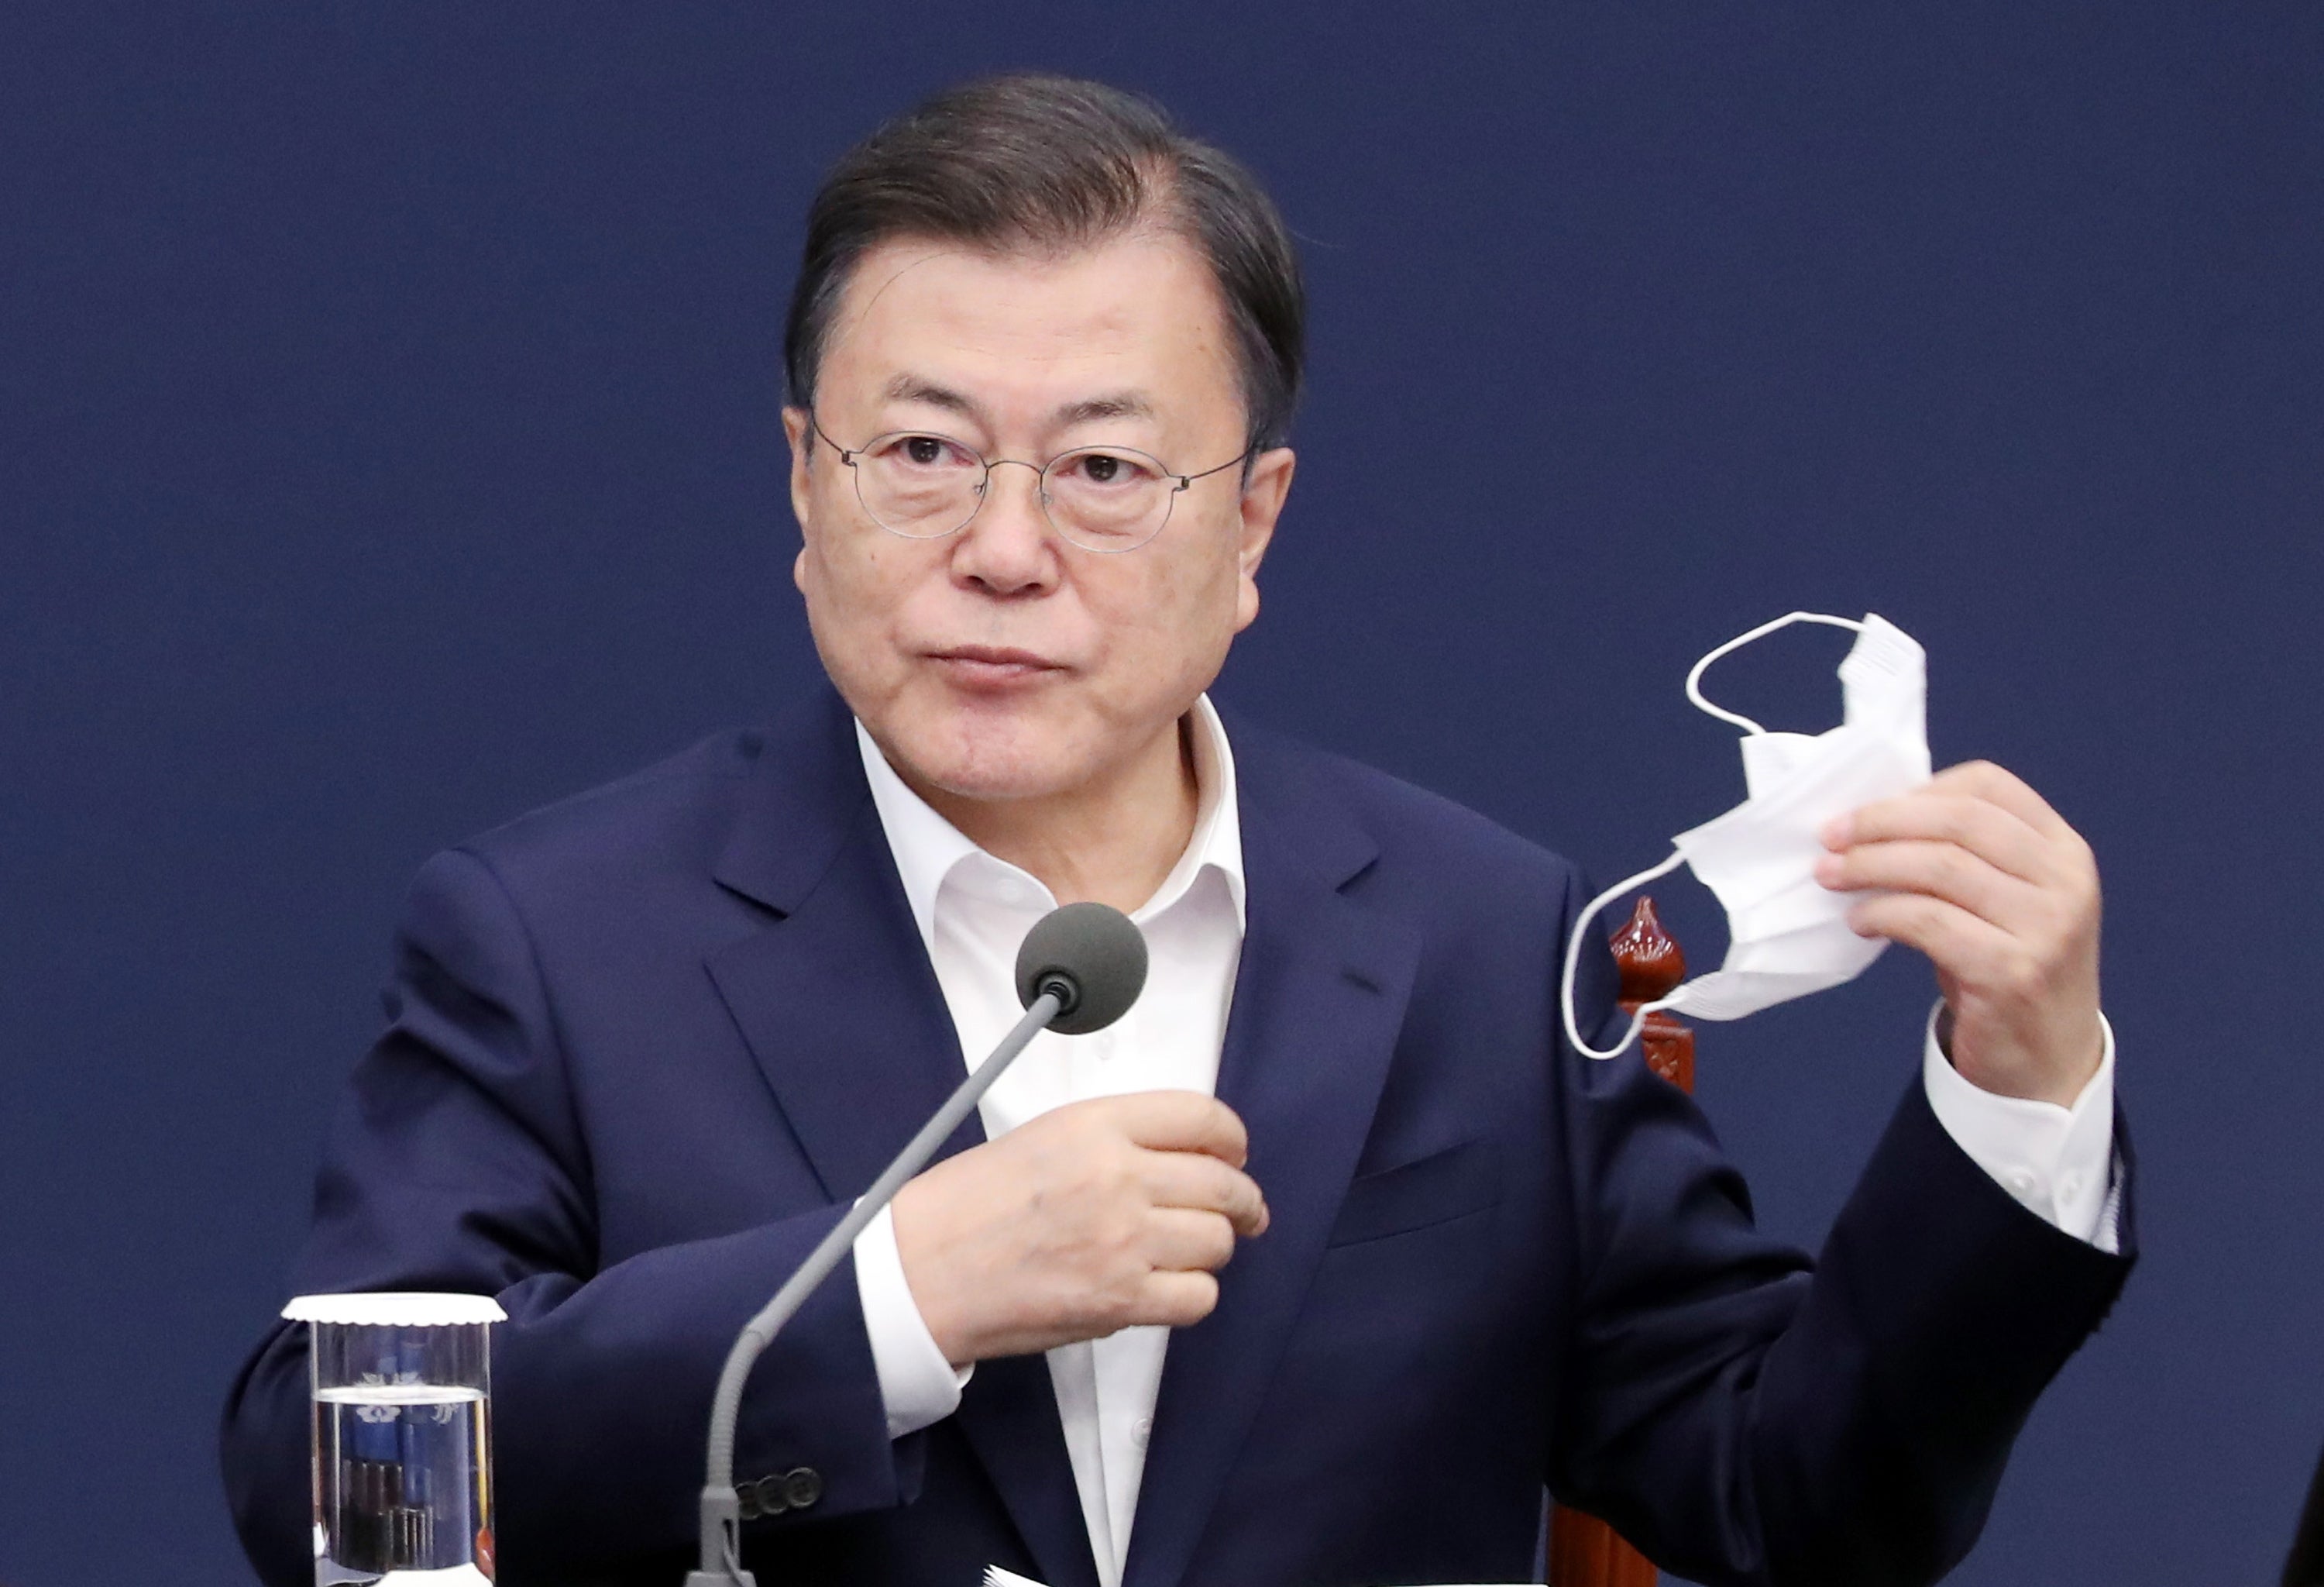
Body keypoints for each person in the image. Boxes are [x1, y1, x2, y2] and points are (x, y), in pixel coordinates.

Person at [222, 74, 2133, 1587]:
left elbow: (1802, 1502)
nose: (1001, 546)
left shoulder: (1484, 940)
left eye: (1106, 469)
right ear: (806, 487)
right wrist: (900, 1296)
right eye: (919, 451)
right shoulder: (558, 937)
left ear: (1255, 525)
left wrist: (2021, 1079)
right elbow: (343, 1491)